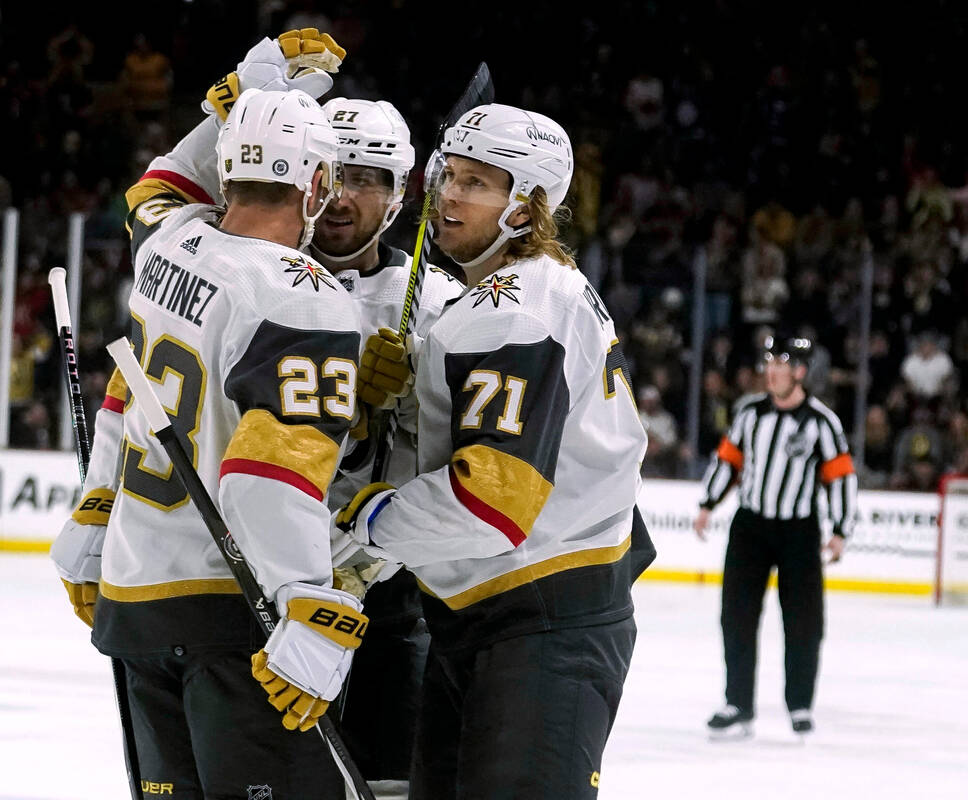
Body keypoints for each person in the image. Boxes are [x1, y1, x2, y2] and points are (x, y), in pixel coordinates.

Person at [52, 31, 369, 798]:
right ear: (318, 184)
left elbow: (159, 183)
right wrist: (305, 601)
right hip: (231, 618)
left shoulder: (169, 245)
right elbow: (265, 476)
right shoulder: (306, 297)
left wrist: (247, 86)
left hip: (136, 604)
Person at [333, 103, 655, 799]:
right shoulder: (523, 290)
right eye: (449, 173)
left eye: (479, 182)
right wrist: (414, 382)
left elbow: (491, 503)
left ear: (528, 204)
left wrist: (367, 523)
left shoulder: (512, 310)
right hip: (498, 620)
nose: (448, 193)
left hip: (539, 627)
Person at [310, 96, 463, 799]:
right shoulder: (258, 276)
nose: (341, 194)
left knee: (391, 781)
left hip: (390, 590)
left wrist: (404, 407)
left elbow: (449, 464)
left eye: (366, 178)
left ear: (400, 194)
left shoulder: (436, 303)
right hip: (266, 577)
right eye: (329, 170)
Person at [693, 334, 857, 738]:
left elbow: (840, 479)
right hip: (750, 527)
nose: (770, 373)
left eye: (779, 366)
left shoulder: (822, 422)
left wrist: (839, 531)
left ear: (799, 372)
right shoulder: (750, 414)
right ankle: (738, 703)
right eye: (768, 365)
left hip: (799, 531)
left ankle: (799, 705)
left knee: (803, 622)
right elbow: (728, 460)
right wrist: (708, 503)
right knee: (737, 616)